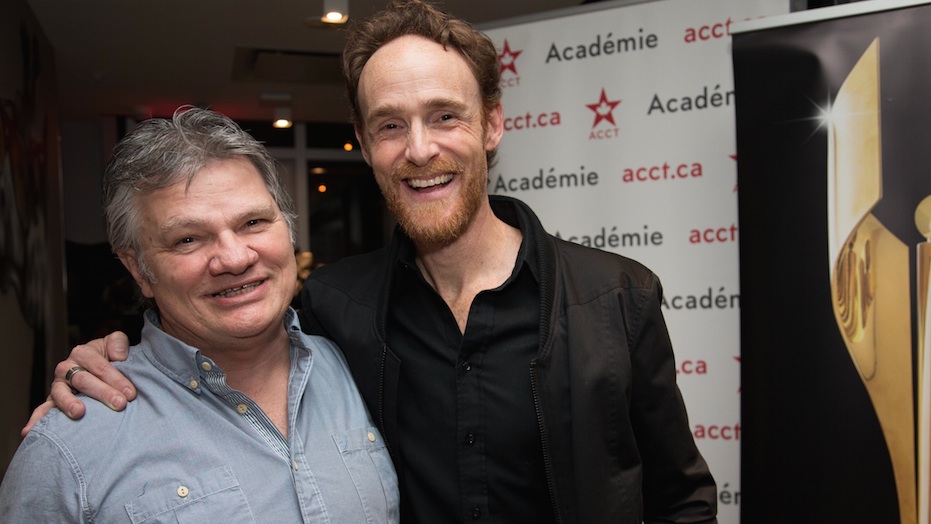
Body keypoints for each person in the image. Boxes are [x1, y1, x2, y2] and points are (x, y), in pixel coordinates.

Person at [27, 1, 717, 522]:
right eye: (390, 124)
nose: (418, 149)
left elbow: (679, 497)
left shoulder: (616, 296)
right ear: (363, 142)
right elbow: (219, 332)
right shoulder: (334, 306)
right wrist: (105, 360)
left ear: (492, 124)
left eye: (444, 115)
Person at [4, 107, 399, 523]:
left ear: (287, 228)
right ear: (139, 270)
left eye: (253, 222)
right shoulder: (72, 444)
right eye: (188, 239)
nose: (234, 258)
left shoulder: (366, 367)